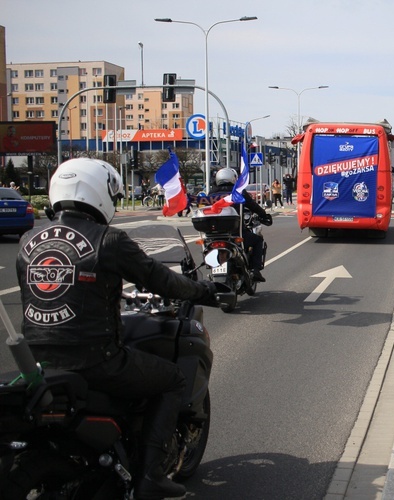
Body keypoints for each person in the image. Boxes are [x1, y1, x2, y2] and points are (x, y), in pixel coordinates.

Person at [16, 158, 217, 499]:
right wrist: (203, 290)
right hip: (97, 361)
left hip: (36, 363)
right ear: (99, 193)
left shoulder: (28, 240)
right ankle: (151, 476)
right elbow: (160, 279)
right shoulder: (108, 240)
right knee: (172, 380)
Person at [214, 167, 272, 282]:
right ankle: (255, 270)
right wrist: (264, 215)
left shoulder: (211, 193)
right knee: (257, 240)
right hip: (235, 234)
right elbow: (253, 205)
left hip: (214, 235)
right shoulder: (238, 192)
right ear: (233, 178)